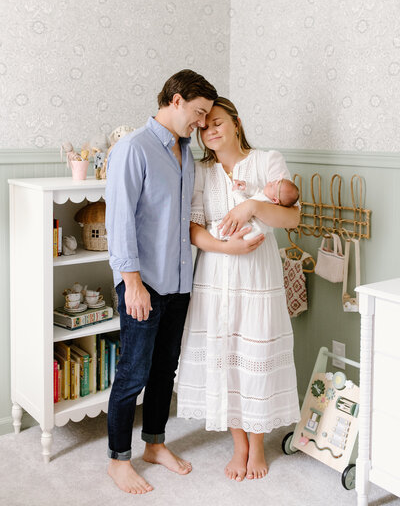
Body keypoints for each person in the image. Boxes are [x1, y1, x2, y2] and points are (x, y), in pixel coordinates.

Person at [177, 96, 301, 482]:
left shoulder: (267, 161)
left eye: (218, 122)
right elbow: (194, 229)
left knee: (256, 350)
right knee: (225, 353)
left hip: (257, 274)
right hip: (215, 272)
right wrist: (226, 246)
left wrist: (250, 207)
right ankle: (239, 444)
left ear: (236, 121)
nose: (210, 130)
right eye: (204, 125)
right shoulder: (201, 172)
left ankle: (258, 442)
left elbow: (292, 217)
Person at [105, 69, 218, 494]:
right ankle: (118, 460)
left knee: (164, 370)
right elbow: (119, 222)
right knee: (133, 373)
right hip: (143, 282)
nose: (202, 122)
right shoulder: (133, 148)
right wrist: (131, 283)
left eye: (207, 115)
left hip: (178, 282)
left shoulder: (186, 152)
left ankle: (154, 444)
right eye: (198, 112)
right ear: (175, 99)